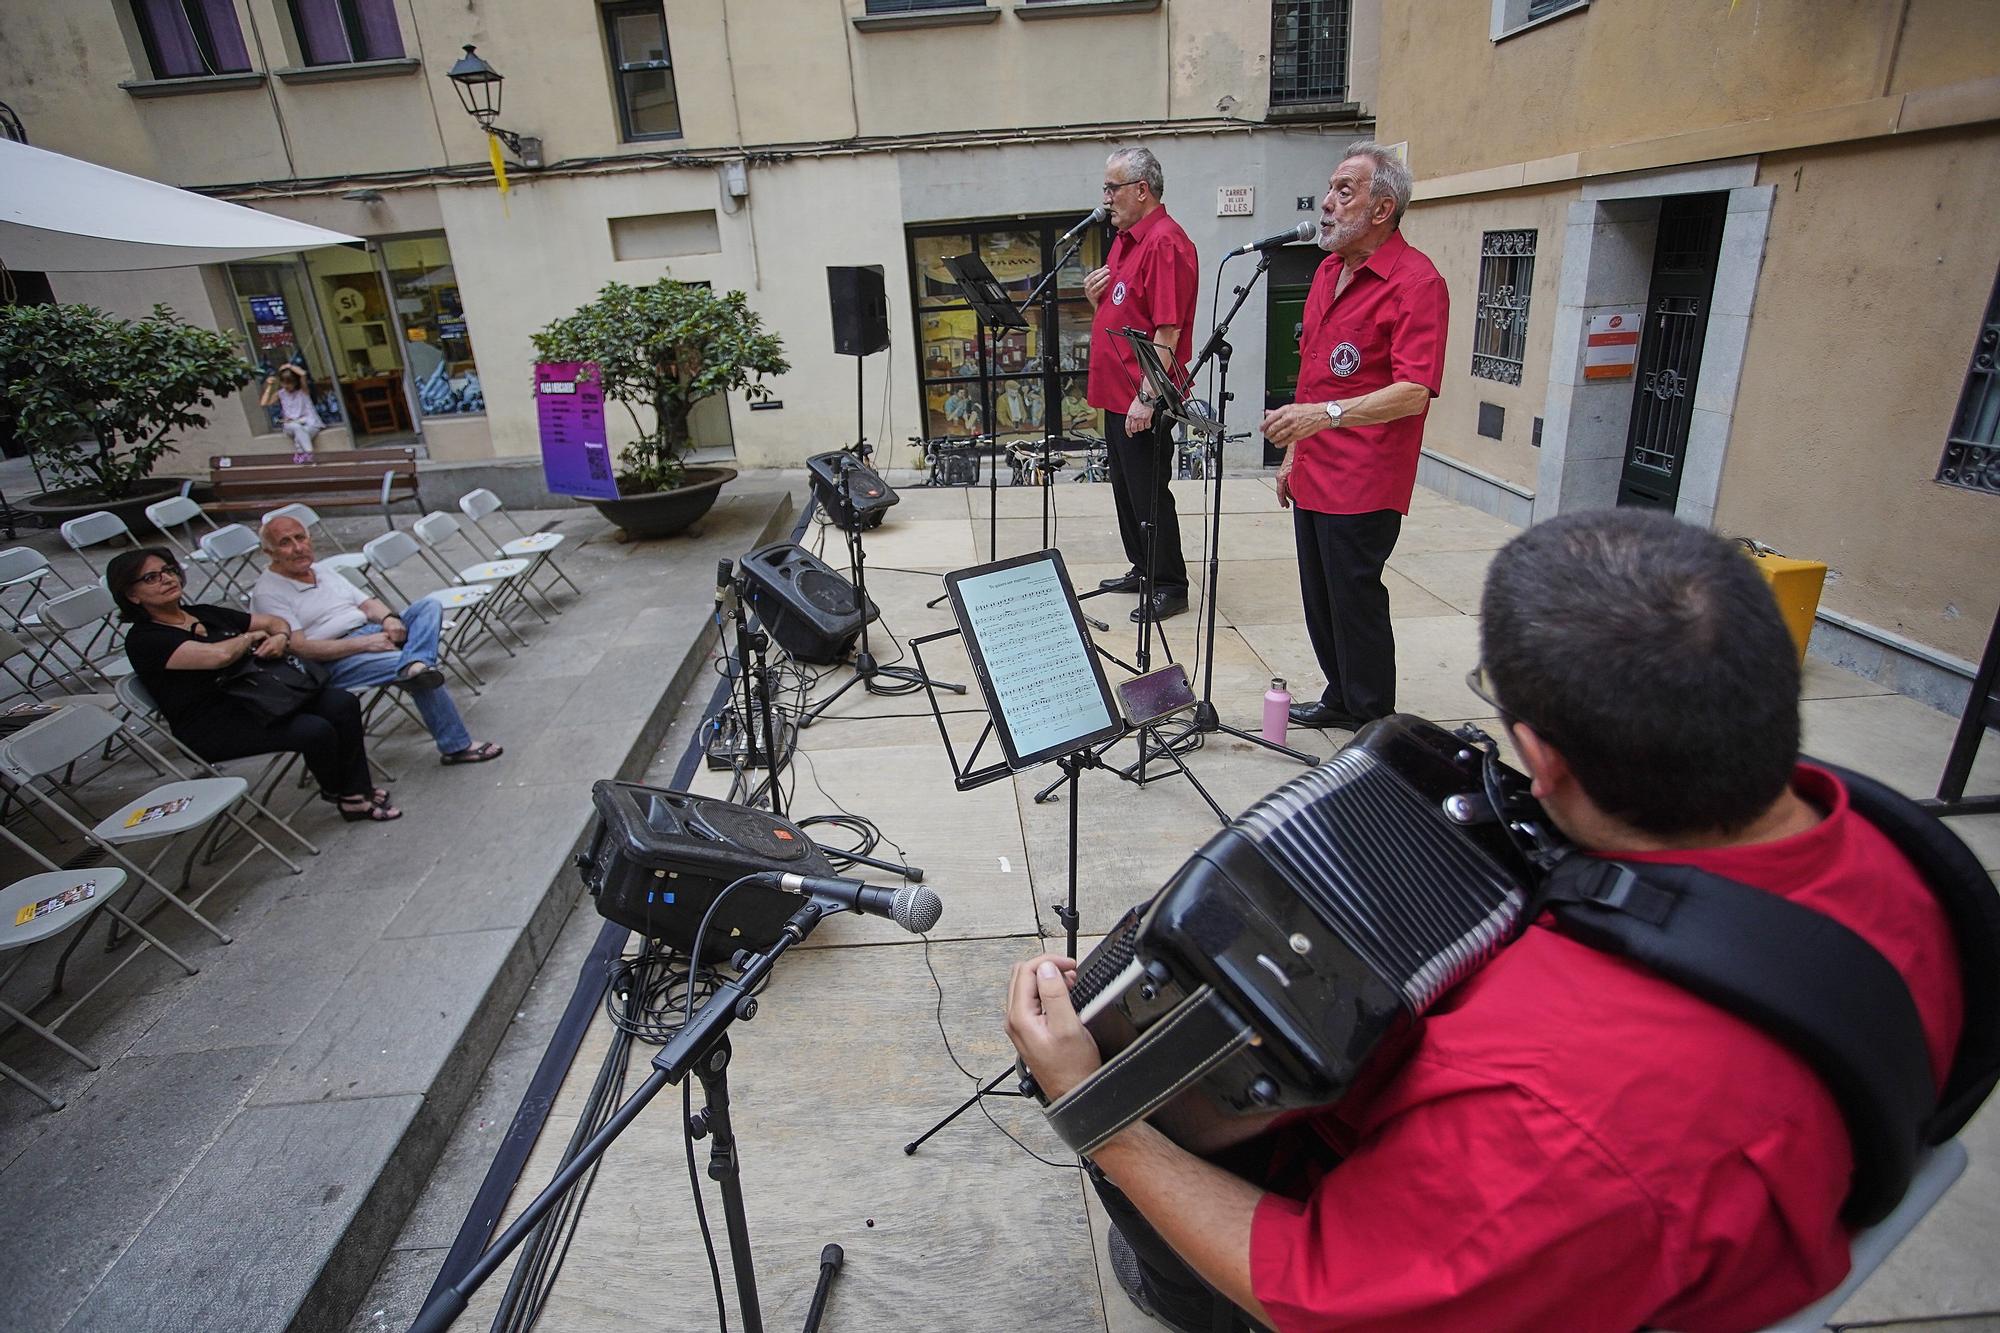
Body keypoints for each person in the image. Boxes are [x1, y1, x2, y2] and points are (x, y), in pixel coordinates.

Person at [1005, 508, 1965, 1332]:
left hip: (1577, 1247)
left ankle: (1193, 1304)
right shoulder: (1887, 841)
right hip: (1716, 1175)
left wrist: (1109, 1120)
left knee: (1112, 1060)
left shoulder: (1548, 1116)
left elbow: (1326, 1291)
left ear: (1542, 759)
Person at [1261, 142, 1448, 733]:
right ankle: (1341, 696)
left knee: (1356, 600)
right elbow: (1313, 374)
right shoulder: (1325, 272)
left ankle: (1373, 720)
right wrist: (1294, 452)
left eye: (1345, 190)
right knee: (1320, 599)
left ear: (1382, 208)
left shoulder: (1418, 283)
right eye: (1331, 189)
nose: (1327, 202)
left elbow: (1414, 391)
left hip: (1366, 477)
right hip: (1316, 468)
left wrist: (1326, 418)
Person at [110, 547, 401, 823]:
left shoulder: (203, 612)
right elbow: (219, 656)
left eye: (168, 570)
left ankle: (356, 788)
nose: (167, 579)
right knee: (315, 729)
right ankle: (344, 793)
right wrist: (251, 637)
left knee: (342, 702)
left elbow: (276, 622)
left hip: (259, 698)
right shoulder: (145, 639)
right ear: (132, 595)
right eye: (151, 577)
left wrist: (279, 638)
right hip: (212, 724)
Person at [249, 517, 501, 766]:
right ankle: (456, 746)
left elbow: (367, 604)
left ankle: (415, 662)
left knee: (428, 607)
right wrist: (366, 643)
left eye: (300, 537)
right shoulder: (269, 592)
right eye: (285, 542)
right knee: (415, 672)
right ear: (269, 551)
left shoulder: (320, 569)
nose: (297, 547)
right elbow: (301, 649)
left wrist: (389, 619)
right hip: (332, 659)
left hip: (370, 631)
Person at [1085, 146, 1197, 624]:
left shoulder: (1165, 242)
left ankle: (1170, 583)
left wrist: (1147, 398)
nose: (1106, 198)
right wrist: (1096, 303)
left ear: (1141, 190)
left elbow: (1167, 332)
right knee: (1126, 489)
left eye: (1112, 188)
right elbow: (1125, 315)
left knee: (1150, 491)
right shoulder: (1126, 241)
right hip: (1118, 392)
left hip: (1142, 395)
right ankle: (1143, 567)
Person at [259, 364, 324, 464]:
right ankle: (310, 454)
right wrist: (269, 386)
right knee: (296, 427)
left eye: (289, 383)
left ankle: (305, 461)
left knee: (299, 438)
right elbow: (264, 403)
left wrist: (288, 366)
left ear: (295, 382)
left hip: (310, 423)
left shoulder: (303, 391)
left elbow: (303, 374)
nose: (286, 386)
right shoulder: (281, 393)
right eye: (283, 383)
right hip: (291, 425)